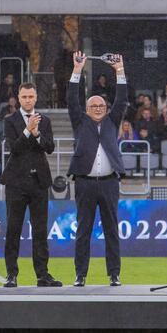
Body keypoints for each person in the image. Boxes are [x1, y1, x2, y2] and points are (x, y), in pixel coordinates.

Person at [68, 51, 128, 287]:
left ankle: (114, 274)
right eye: (93, 105)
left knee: (112, 231)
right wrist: (77, 71)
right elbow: (72, 98)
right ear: (86, 108)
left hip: (109, 182)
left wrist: (120, 71)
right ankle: (80, 275)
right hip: (84, 183)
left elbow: (122, 99)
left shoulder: (113, 122)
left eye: (101, 105)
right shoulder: (80, 121)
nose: (97, 108)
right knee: (83, 231)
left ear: (106, 107)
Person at [0, 83, 62, 288]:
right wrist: (27, 131)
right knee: (13, 229)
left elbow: (50, 148)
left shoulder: (45, 121)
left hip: (39, 182)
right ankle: (11, 274)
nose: (28, 100)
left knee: (40, 231)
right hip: (16, 182)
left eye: (31, 96)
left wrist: (36, 134)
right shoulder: (10, 121)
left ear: (36, 98)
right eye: (24, 96)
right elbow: (14, 148)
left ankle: (42, 274)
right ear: (18, 97)